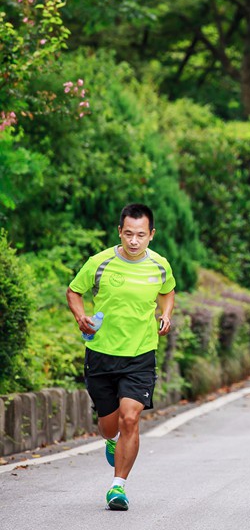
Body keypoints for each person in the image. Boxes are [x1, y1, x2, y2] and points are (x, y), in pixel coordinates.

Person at [66, 203, 176, 511]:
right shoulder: (99, 263)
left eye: (141, 235)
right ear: (119, 232)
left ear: (151, 235)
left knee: (131, 417)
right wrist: (80, 316)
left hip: (140, 354)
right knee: (109, 425)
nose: (134, 241)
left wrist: (166, 314)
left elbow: (168, 291)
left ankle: (118, 486)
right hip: (101, 353)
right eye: (128, 234)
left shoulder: (160, 265)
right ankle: (111, 440)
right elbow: (74, 291)